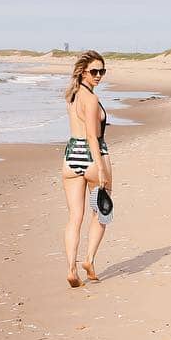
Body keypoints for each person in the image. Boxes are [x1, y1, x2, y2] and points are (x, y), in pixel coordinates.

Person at [61, 50, 112, 287]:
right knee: (101, 211)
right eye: (94, 71)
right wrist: (100, 168)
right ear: (83, 72)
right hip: (93, 156)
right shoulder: (91, 99)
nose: (99, 75)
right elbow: (92, 135)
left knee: (75, 217)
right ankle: (89, 260)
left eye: (102, 71)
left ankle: (71, 268)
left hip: (71, 156)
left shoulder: (72, 95)